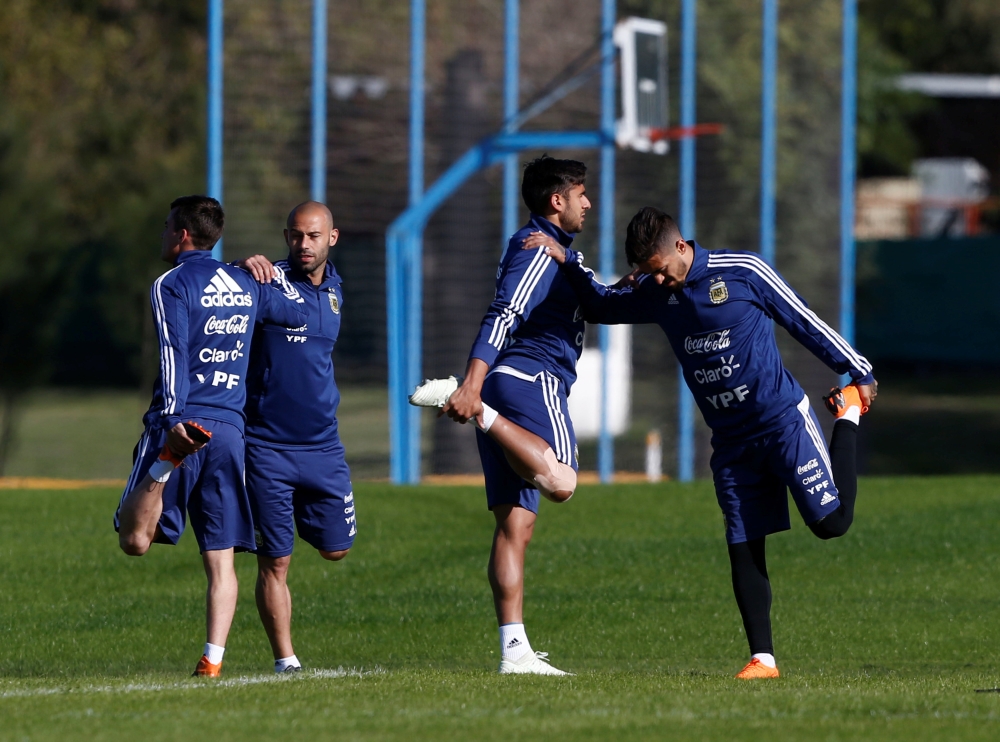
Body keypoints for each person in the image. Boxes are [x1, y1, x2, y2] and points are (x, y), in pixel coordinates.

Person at [523, 206, 877, 679]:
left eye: (663, 271)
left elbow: (801, 318)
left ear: (681, 247)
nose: (661, 283)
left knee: (832, 524)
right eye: (649, 275)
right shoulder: (654, 291)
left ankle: (847, 415)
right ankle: (762, 659)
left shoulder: (743, 272)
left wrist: (858, 369)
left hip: (782, 424)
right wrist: (566, 260)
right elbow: (601, 306)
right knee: (743, 541)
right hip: (731, 443)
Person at [408, 156, 592, 675]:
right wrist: (473, 386)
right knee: (562, 482)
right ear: (557, 201)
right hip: (530, 382)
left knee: (515, 525)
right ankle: (482, 411)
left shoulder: (553, 252)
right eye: (581, 194)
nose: (588, 203)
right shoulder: (537, 251)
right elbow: (504, 312)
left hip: (505, 385)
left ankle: (515, 652)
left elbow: (601, 296)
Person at [115, 195, 307, 677]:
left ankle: (162, 466)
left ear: (182, 234)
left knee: (134, 539)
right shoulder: (244, 280)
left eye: (165, 227)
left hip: (183, 423)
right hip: (229, 430)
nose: (162, 235)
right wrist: (265, 270)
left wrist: (174, 421)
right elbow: (293, 313)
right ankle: (213, 660)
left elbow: (171, 349)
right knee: (220, 557)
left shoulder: (171, 283)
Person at [231, 201, 356, 674]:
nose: (304, 245)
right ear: (287, 236)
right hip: (266, 448)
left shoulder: (338, 290)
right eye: (296, 236)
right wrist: (239, 266)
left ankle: (299, 516)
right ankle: (286, 660)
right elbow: (218, 291)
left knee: (336, 549)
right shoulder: (265, 281)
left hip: (324, 446)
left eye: (313, 236)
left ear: (332, 238)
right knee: (275, 564)